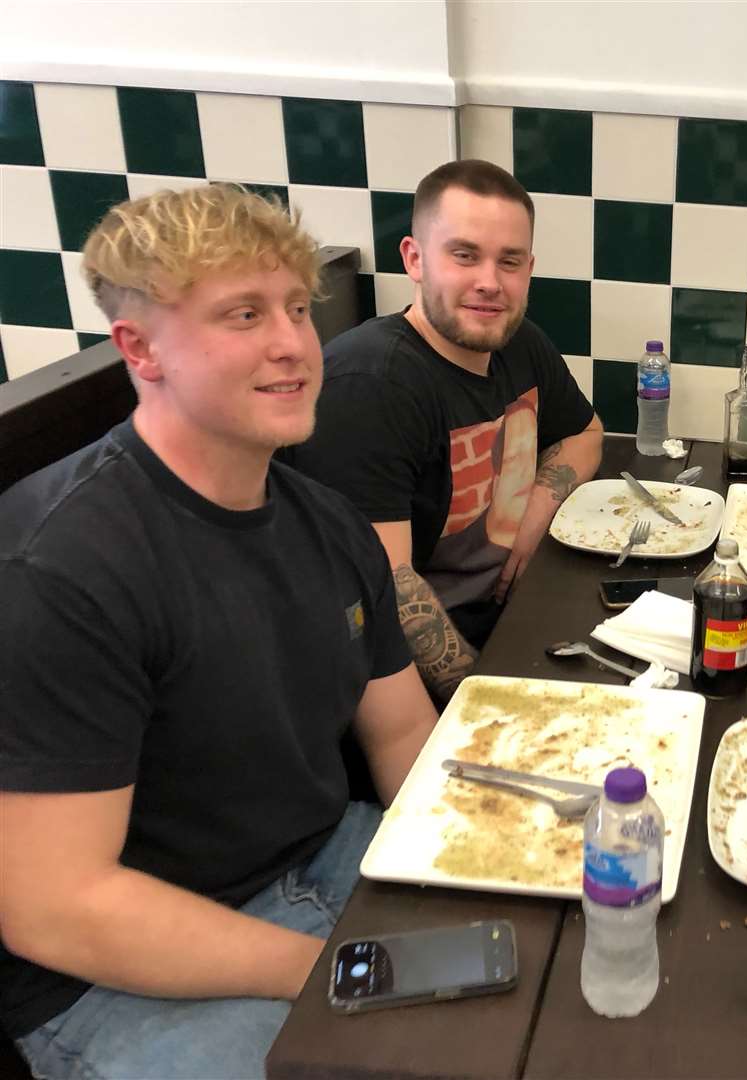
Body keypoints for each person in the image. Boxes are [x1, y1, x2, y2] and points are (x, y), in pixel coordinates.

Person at [0, 185, 439, 1079]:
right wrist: (328, 971)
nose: (292, 343)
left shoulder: (326, 521)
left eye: (294, 309)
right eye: (243, 314)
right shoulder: (64, 569)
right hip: (114, 966)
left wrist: (486, 855)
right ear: (139, 348)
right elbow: (55, 906)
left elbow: (401, 735)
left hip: (322, 853)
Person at [284, 160, 603, 702]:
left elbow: (586, 433)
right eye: (464, 255)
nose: (489, 282)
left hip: (510, 620)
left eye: (509, 261)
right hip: (412, 684)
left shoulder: (518, 342)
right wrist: (493, 705)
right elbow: (389, 594)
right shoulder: (371, 386)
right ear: (414, 259)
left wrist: (531, 517)